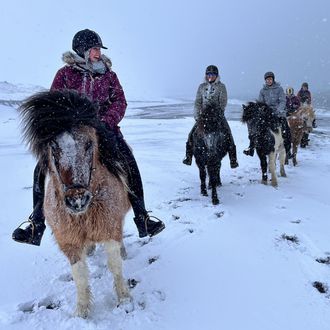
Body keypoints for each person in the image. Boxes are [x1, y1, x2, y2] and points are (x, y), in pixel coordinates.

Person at [12, 29, 165, 246]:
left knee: (129, 162)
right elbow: (54, 103)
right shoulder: (65, 74)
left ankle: (142, 218)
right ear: (82, 51)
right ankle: (36, 224)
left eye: (99, 49)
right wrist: (70, 124)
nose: (98, 52)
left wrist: (105, 122)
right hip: (70, 135)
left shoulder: (109, 75)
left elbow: (119, 102)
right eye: (94, 49)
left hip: (104, 130)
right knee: (41, 168)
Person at [182, 65, 239, 169]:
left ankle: (233, 159)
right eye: (208, 74)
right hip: (203, 116)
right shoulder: (201, 87)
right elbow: (198, 102)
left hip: (217, 115)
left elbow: (223, 102)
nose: (210, 76)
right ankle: (188, 157)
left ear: (216, 76)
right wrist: (197, 115)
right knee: (191, 134)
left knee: (228, 133)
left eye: (212, 74)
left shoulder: (221, 86)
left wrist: (216, 114)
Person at [243, 71, 292, 157]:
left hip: (278, 113)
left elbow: (283, 101)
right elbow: (260, 103)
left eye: (270, 79)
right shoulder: (262, 91)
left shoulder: (279, 89)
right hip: (267, 113)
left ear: (273, 79)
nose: (269, 81)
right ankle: (251, 147)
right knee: (254, 128)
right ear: (265, 80)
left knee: (285, 128)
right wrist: (262, 110)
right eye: (267, 79)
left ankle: (287, 150)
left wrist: (278, 110)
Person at [297, 82, 315, 147]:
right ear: (302, 87)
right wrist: (301, 99)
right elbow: (297, 98)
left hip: (307, 104)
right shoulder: (300, 92)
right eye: (304, 87)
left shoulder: (308, 92)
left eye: (306, 87)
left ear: (307, 87)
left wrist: (307, 100)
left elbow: (310, 99)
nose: (305, 88)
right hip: (301, 104)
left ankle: (313, 122)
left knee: (312, 111)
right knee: (299, 112)